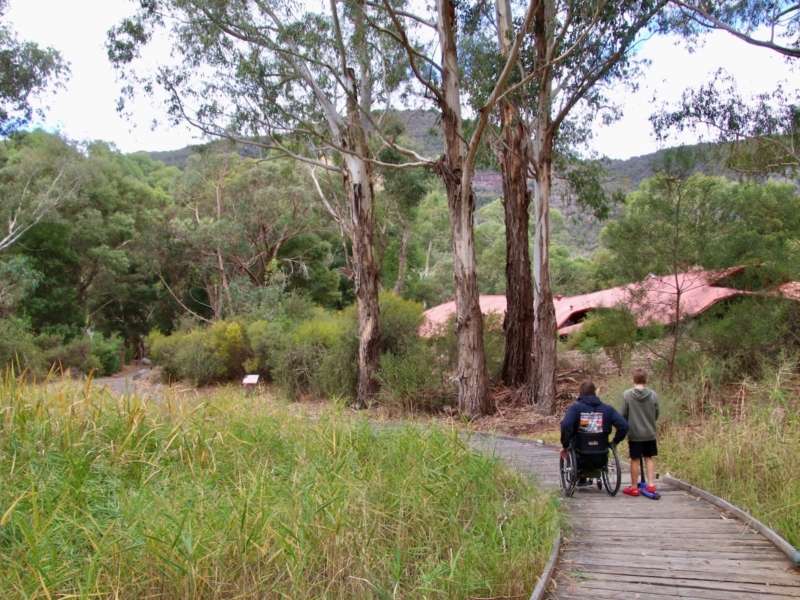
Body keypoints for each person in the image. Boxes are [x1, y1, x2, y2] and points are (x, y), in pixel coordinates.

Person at [561, 380, 628, 481]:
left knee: (573, 440)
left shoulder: (575, 408)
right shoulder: (608, 409)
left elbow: (566, 425)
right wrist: (615, 442)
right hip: (601, 454)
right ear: (595, 393)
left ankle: (579, 477)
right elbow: (624, 426)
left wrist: (565, 445)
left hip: (580, 453)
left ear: (581, 393)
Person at [621, 368, 659, 497]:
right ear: (646, 380)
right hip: (649, 432)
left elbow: (623, 414)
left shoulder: (627, 395)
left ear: (633, 379)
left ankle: (633, 487)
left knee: (635, 459)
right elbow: (656, 413)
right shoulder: (653, 395)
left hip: (635, 434)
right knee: (649, 457)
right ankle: (651, 484)